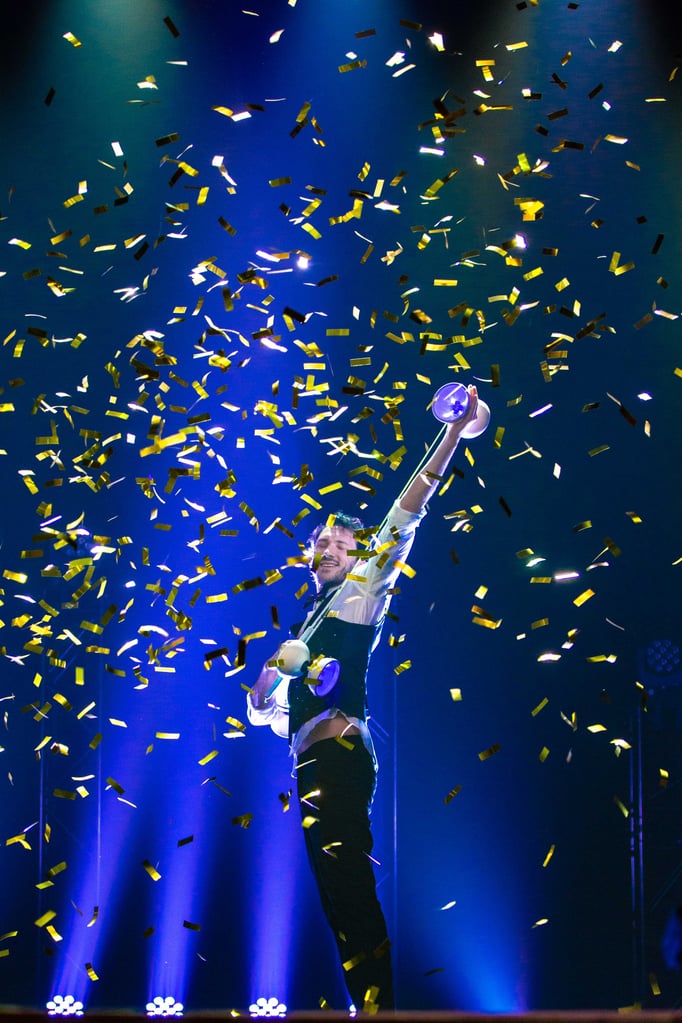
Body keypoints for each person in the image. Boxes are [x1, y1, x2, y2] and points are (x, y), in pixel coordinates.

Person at [247, 385, 480, 1012]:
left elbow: (409, 510)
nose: (324, 548)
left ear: (359, 553)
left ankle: (380, 1008)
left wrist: (452, 432)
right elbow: (267, 715)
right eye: (319, 542)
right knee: (336, 893)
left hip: (339, 758)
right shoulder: (308, 625)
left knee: (347, 882)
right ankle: (368, 1004)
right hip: (310, 764)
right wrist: (272, 670)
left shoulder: (359, 592)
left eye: (338, 542)